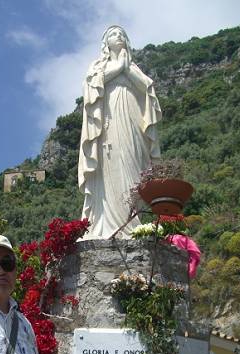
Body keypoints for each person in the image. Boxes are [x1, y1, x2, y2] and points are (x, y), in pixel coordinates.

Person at [78, 25, 162, 240]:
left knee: (134, 166)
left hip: (132, 119)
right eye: (114, 34)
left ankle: (134, 221)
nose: (119, 37)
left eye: (122, 34)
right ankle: (109, 223)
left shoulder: (133, 67)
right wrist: (118, 68)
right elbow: (92, 86)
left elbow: (147, 88)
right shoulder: (99, 66)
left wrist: (127, 69)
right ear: (106, 43)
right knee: (111, 165)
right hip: (109, 120)